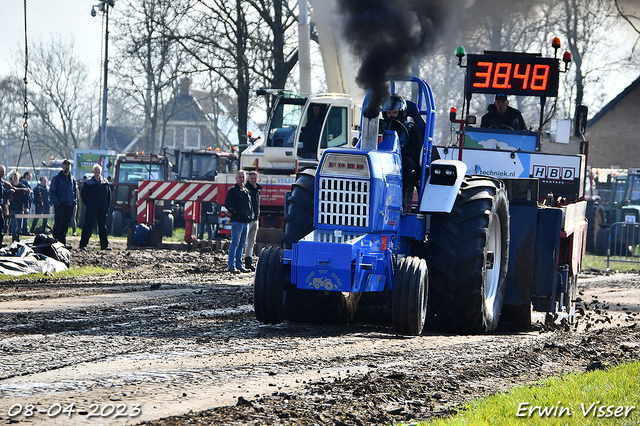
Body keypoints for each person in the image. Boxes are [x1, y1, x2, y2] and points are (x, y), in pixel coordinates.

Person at [381, 94, 422, 212]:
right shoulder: (379, 127)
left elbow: (415, 151)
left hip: (403, 162)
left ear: (401, 112)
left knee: (407, 164)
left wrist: (400, 151)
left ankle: (402, 207)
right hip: (382, 159)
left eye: (394, 113)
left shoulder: (411, 129)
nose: (391, 116)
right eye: (389, 113)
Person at [224, 170, 253, 274]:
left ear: (245, 179)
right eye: (239, 177)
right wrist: (237, 212)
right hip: (237, 221)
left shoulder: (246, 191)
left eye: (243, 177)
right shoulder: (233, 191)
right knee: (235, 243)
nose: (241, 179)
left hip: (245, 221)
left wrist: (250, 215)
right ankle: (231, 266)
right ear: (236, 178)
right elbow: (227, 204)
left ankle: (239, 265)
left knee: (242, 244)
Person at [79, 164, 112, 250]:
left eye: (98, 170)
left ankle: (104, 245)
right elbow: (83, 195)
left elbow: (109, 196)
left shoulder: (105, 182)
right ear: (93, 171)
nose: (97, 171)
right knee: (88, 226)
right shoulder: (88, 182)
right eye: (95, 170)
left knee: (103, 227)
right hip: (91, 208)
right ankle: (83, 245)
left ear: (101, 171)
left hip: (102, 209)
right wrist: (88, 204)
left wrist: (106, 206)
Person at [50, 158, 78, 246]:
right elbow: (52, 192)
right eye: (65, 165)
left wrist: (74, 202)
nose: (67, 166)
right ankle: (55, 242)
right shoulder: (57, 178)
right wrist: (57, 203)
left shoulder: (72, 179)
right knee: (58, 223)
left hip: (69, 205)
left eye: (68, 165)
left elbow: (75, 191)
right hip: (60, 205)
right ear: (62, 166)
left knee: (66, 224)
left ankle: (62, 242)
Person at [243, 170, 262, 272]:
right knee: (243, 241)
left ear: (258, 179)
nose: (253, 180)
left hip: (255, 219)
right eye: (252, 178)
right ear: (248, 179)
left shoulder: (258, 190)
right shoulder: (245, 189)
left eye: (255, 178)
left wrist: (257, 216)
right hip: (247, 219)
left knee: (251, 242)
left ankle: (248, 262)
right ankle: (238, 262)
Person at [7, 170, 31, 241]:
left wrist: (26, 207)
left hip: (20, 207)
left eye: (16, 177)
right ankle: (14, 236)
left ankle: (17, 235)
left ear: (19, 178)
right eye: (14, 177)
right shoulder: (11, 187)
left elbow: (26, 199)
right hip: (13, 207)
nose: (15, 179)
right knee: (14, 223)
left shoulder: (22, 186)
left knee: (19, 223)